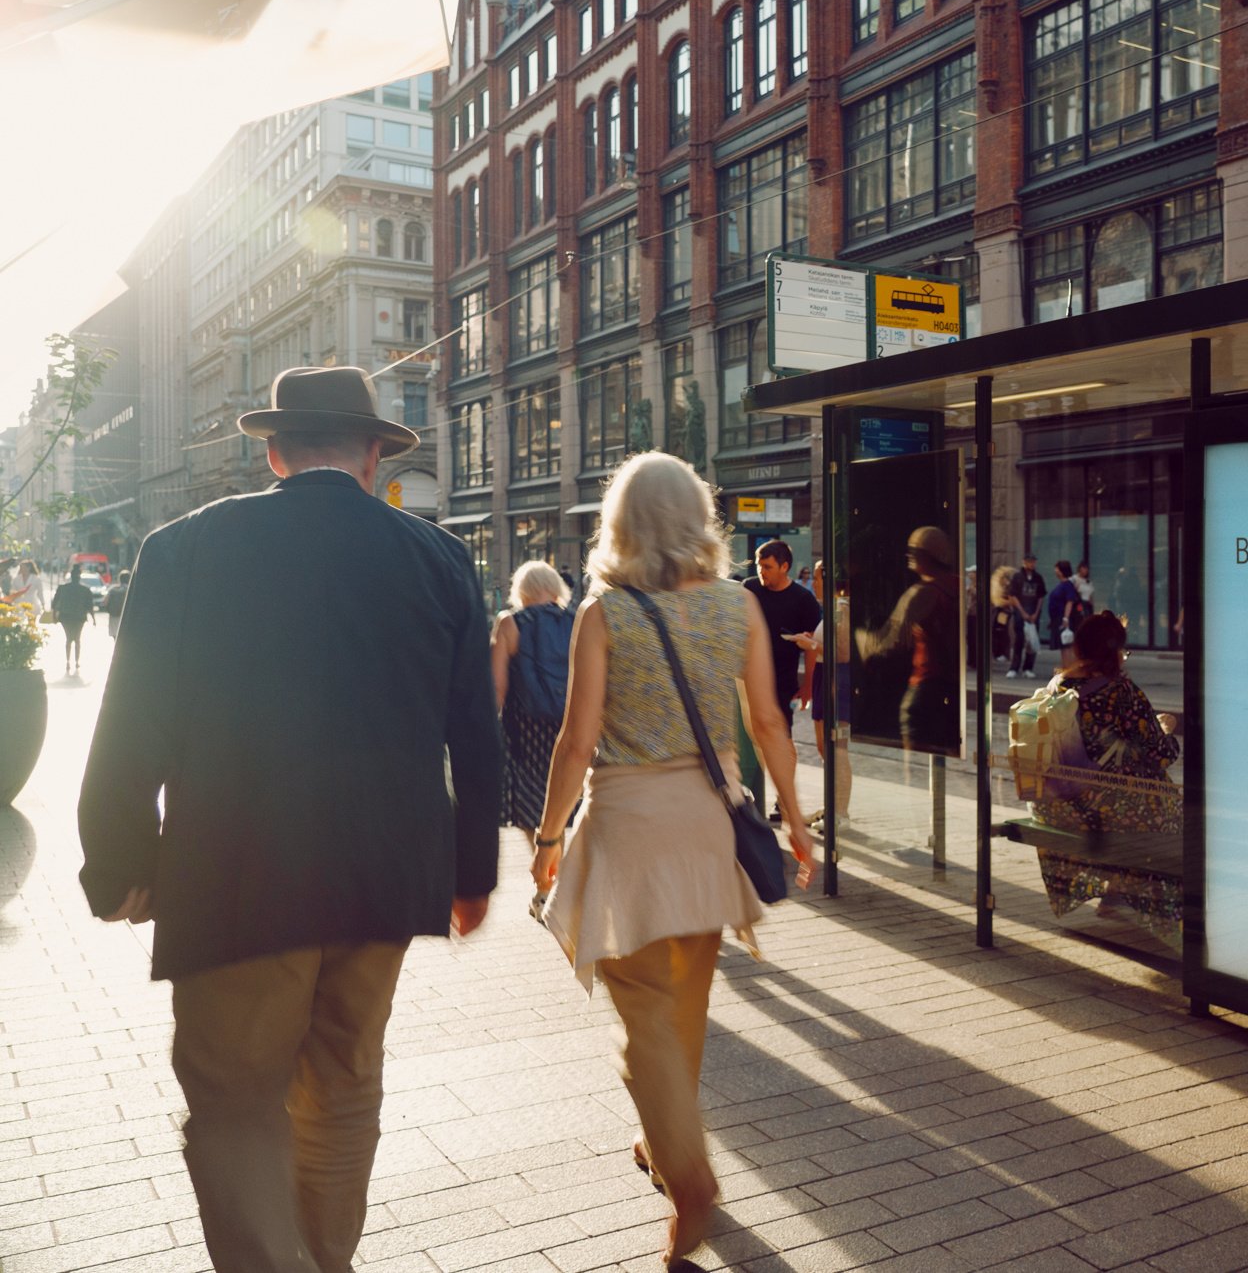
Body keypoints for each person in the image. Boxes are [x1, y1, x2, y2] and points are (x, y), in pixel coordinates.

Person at [76, 366, 502, 1273]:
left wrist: (117, 863)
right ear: (378, 457)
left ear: (271, 451)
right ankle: (325, 1259)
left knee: (234, 1097)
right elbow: (475, 731)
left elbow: (131, 722)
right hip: (387, 876)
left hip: (237, 872)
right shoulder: (438, 558)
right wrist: (472, 874)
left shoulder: (183, 548)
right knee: (346, 1083)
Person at [529, 453, 814, 1273]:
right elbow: (767, 724)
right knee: (682, 1007)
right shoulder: (740, 607)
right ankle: (664, 1147)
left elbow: (577, 743)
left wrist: (549, 843)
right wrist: (796, 822)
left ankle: (689, 1177)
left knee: (645, 1018)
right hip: (708, 829)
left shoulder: (604, 614)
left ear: (619, 524)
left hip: (630, 832)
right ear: (700, 518)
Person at [1029, 612, 1184, 946]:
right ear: (1113, 652)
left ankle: (1116, 890)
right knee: (1166, 804)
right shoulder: (1120, 692)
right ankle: (1149, 905)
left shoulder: (1057, 685)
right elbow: (1161, 753)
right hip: (1100, 810)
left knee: (1130, 791)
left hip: (1055, 806)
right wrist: (1168, 731)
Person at [493, 561, 576, 847]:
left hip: (525, 729)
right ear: (555, 588)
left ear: (522, 591)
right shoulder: (576, 621)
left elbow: (497, 687)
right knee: (562, 794)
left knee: (531, 805)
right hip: (568, 724)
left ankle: (545, 870)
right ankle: (557, 864)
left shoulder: (510, 623)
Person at [858, 525, 962, 755]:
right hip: (951, 690)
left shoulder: (921, 593)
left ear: (927, 555)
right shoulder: (958, 585)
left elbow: (889, 643)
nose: (908, 555)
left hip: (924, 691)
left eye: (913, 550)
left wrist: (857, 635)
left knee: (917, 764)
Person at [742, 539, 819, 822]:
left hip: (782, 679)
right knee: (749, 741)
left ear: (784, 567)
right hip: (746, 677)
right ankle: (747, 800)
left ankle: (784, 804)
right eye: (760, 566)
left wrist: (808, 685)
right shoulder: (749, 589)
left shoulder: (803, 600)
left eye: (768, 567)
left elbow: (812, 646)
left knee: (782, 741)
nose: (762, 572)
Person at [792, 560, 853, 828]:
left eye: (817, 578)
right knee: (824, 747)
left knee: (835, 748)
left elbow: (842, 652)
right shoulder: (831, 608)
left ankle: (841, 813)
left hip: (835, 680)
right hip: (823, 677)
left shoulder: (843, 608)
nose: (813, 583)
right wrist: (813, 640)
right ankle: (833, 806)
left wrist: (810, 644)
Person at [50, 564, 95, 674]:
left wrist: (54, 617)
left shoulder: (62, 588)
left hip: (65, 617)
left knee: (69, 639)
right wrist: (94, 619)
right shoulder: (85, 590)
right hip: (79, 617)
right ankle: (76, 661)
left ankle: (68, 661)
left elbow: (54, 604)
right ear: (79, 577)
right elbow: (90, 606)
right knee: (77, 639)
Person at [1045, 560, 1085, 664]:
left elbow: (1070, 601)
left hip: (1063, 618)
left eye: (1057, 569)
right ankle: (1066, 668)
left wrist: (1066, 618)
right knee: (1064, 645)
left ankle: (1069, 668)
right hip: (1058, 617)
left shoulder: (1067, 585)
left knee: (1066, 645)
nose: (1055, 571)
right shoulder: (1063, 584)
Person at [1012, 554, 1046, 676]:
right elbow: (1013, 596)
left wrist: (1036, 613)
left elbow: (1041, 596)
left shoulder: (1038, 578)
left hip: (1033, 612)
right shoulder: (1017, 577)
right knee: (1019, 639)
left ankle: (1028, 667)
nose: (1031, 564)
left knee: (1032, 641)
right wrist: (1022, 612)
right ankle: (1014, 667)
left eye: (1033, 562)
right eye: (1029, 562)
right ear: (1024, 562)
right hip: (1020, 612)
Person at [104, 568, 131, 639]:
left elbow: (105, 602)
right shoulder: (130, 589)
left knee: (115, 637)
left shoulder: (113, 589)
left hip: (114, 616)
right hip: (125, 616)